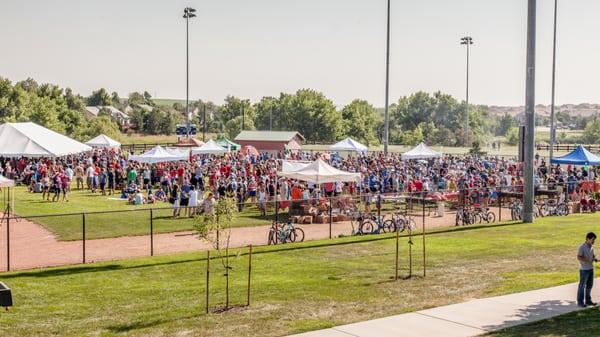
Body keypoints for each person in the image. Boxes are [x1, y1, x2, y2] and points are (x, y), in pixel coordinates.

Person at [577, 232, 598, 307]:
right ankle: (580, 302)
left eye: (594, 240)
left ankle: (588, 301)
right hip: (584, 270)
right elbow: (579, 257)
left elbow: (592, 256)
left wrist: (595, 259)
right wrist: (587, 260)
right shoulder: (581, 247)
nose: (593, 241)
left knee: (589, 285)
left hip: (590, 269)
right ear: (588, 239)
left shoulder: (591, 247)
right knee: (582, 286)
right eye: (592, 240)